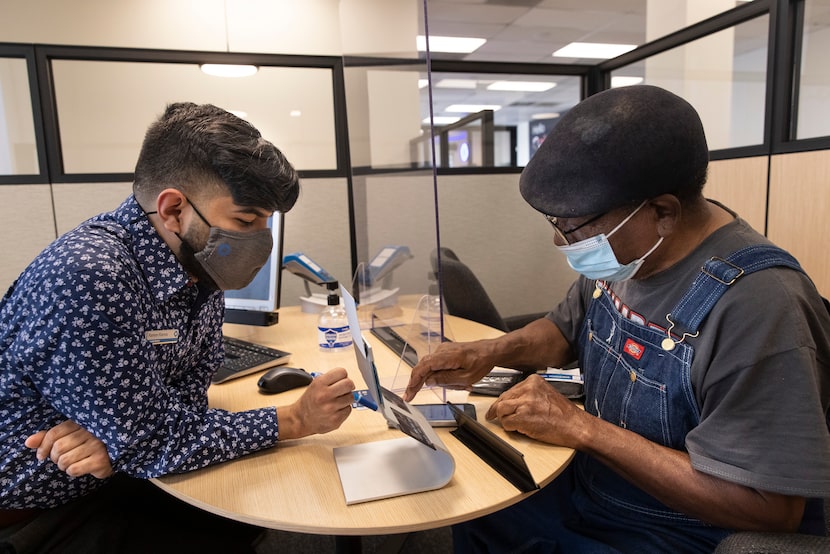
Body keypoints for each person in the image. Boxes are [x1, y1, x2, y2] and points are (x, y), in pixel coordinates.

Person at [404, 85, 830, 553]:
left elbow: (769, 508)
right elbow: (564, 330)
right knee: (474, 508)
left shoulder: (760, 306)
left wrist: (583, 429)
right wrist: (488, 351)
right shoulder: (631, 255)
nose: (561, 242)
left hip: (683, 530)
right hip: (593, 485)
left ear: (662, 212)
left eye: (575, 227)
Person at [0, 102, 356, 552]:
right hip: (39, 504)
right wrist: (295, 419)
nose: (259, 241)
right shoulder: (91, 275)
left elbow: (186, 398)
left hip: (115, 471)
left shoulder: (196, 268)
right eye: (245, 221)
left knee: (243, 510)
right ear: (172, 210)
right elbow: (154, 442)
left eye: (266, 224)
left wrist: (122, 437)